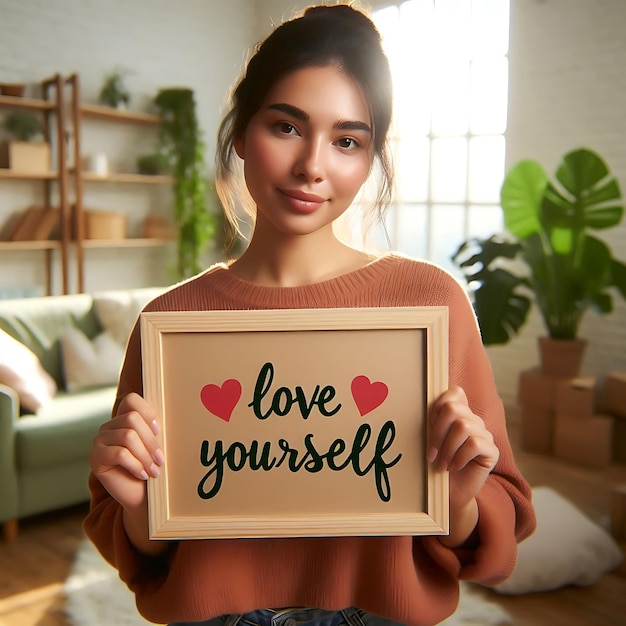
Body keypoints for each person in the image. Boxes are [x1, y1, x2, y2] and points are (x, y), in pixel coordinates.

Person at [85, 4, 536, 626]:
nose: (313, 167)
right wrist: (141, 504)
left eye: (347, 140)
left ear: (371, 159)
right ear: (241, 132)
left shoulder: (430, 303)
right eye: (287, 127)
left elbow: (497, 516)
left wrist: (454, 496)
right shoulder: (172, 322)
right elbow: (139, 547)